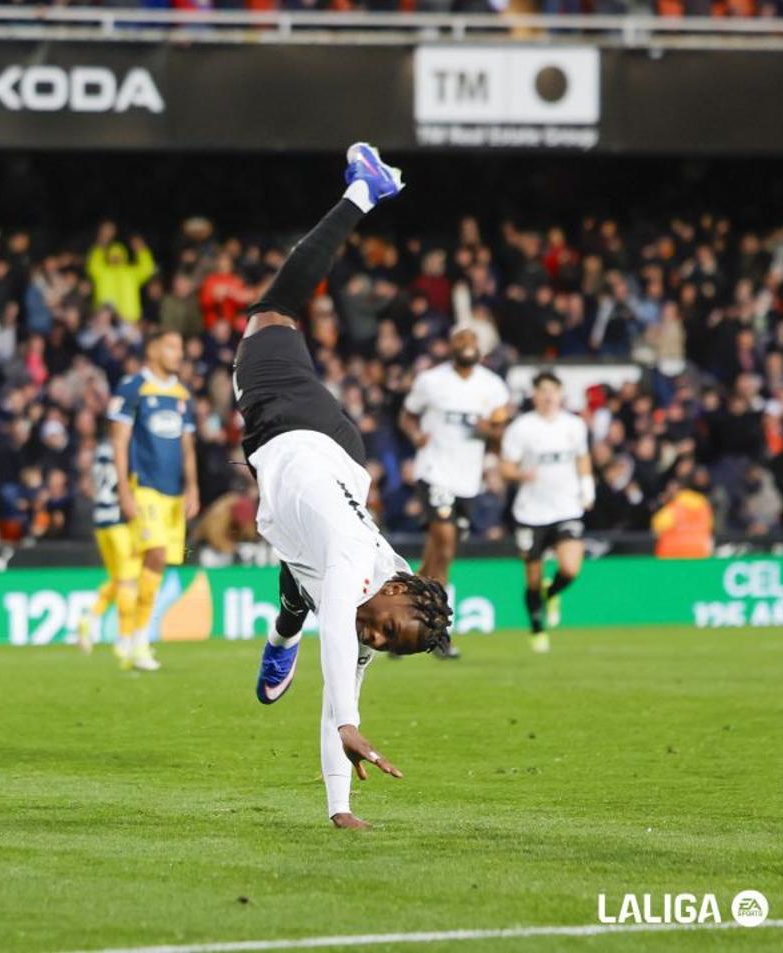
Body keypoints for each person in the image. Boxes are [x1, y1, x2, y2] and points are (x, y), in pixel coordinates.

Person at [239, 143, 452, 829]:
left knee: (305, 575)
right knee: (271, 316)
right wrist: (352, 720)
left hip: (322, 477)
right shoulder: (359, 574)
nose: (377, 639)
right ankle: (364, 190)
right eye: (388, 628)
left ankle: (283, 627)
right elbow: (344, 665)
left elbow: (341, 703)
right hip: (300, 431)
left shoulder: (376, 611)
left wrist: (340, 807)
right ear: (394, 589)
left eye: (387, 644)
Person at [398, 327, 510, 659]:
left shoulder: (492, 387)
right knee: (445, 544)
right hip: (435, 473)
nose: (466, 347)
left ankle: (402, 620)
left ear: (479, 349)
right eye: (460, 341)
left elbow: (499, 432)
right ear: (451, 347)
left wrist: (488, 430)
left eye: (471, 342)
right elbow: (406, 415)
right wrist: (416, 435)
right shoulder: (431, 381)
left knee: (435, 555)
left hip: (468, 480)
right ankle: (438, 633)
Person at [109, 328, 199, 672]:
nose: (178, 353)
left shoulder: (181, 394)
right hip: (144, 486)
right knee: (155, 554)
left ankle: (134, 636)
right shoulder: (133, 388)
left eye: (179, 347)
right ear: (152, 351)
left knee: (157, 565)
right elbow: (119, 442)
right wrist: (124, 489)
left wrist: (193, 487)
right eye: (171, 346)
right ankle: (139, 639)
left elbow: (188, 446)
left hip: (174, 493)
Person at [499, 371, 594, 654]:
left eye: (554, 390)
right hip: (531, 512)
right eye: (543, 390)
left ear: (561, 394)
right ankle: (537, 629)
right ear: (535, 395)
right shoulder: (521, 428)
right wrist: (519, 474)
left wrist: (587, 489)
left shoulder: (574, 426)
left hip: (567, 507)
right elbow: (505, 467)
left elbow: (582, 458)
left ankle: (551, 594)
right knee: (532, 576)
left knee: (571, 568)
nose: (549, 396)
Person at [76, 433, 138, 655]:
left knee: (118, 579)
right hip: (119, 521)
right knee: (128, 582)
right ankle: (124, 638)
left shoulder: (102, 449)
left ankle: (89, 618)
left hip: (101, 521)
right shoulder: (126, 447)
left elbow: (91, 485)